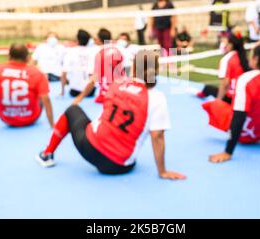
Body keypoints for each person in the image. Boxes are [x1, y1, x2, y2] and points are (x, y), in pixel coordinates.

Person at [36, 50, 186, 180]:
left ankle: (47, 154)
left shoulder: (117, 83)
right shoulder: (157, 98)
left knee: (72, 111)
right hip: (120, 165)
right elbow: (157, 136)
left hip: (90, 149)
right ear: (156, 70)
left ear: (133, 68)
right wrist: (162, 171)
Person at [0, 44, 54, 137]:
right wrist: (53, 125)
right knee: (41, 94)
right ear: (28, 58)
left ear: (9, 56)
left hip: (6, 118)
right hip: (31, 117)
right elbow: (46, 99)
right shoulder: (36, 72)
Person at [198, 30, 250, 104]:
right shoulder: (243, 58)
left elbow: (224, 83)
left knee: (209, 91)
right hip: (245, 97)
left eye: (226, 43)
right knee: (209, 89)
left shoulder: (227, 59)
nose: (225, 45)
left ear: (231, 44)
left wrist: (218, 103)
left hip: (233, 99)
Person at [61, 30, 96, 98]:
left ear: (77, 40)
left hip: (75, 91)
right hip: (90, 91)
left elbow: (63, 73)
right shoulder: (93, 52)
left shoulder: (70, 52)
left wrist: (62, 92)